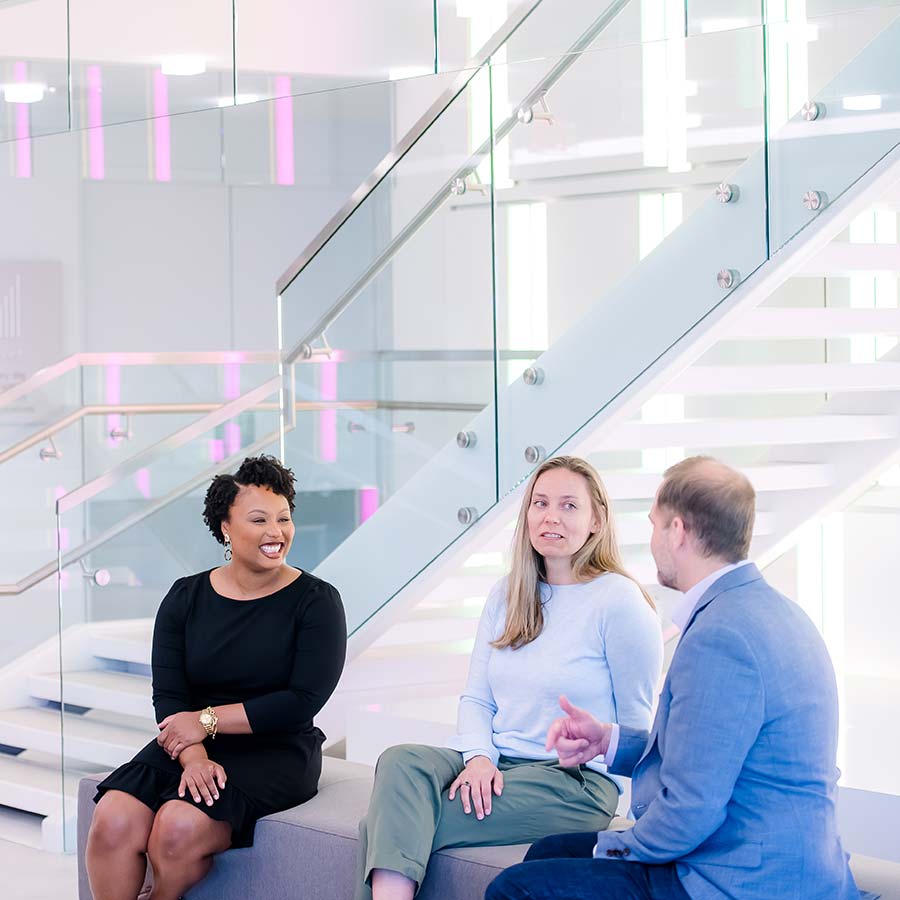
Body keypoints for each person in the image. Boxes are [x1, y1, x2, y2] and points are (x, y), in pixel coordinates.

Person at [487, 455, 864, 900]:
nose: (649, 540)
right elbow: (705, 753)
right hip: (771, 859)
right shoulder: (776, 613)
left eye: (653, 524)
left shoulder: (720, 637)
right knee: (549, 852)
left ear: (678, 531)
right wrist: (607, 740)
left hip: (736, 879)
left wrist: (614, 848)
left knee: (515, 889)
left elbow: (691, 811)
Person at [357, 456, 663, 900]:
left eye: (568, 506)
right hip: (500, 760)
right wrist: (479, 757)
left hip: (574, 783)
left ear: (597, 519)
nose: (550, 516)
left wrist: (644, 828)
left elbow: (639, 725)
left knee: (381, 824)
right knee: (401, 760)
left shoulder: (620, 601)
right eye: (539, 503)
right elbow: (477, 699)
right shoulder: (508, 593)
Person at [85, 455, 347, 900]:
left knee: (175, 828)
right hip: (185, 744)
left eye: (284, 519)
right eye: (259, 519)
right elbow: (169, 695)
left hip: (275, 748)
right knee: (112, 819)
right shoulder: (185, 597)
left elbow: (302, 699)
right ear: (225, 527)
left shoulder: (317, 601)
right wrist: (194, 755)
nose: (276, 532)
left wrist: (204, 721)